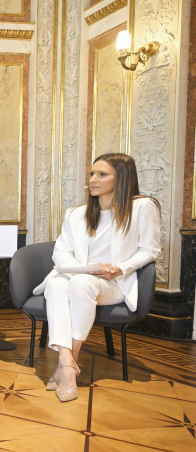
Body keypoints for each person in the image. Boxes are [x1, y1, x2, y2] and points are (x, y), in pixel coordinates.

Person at [32, 153, 160, 402]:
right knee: (57, 284)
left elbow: (150, 250)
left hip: (114, 283)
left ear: (121, 178)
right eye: (92, 174)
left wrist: (120, 268)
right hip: (81, 278)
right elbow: (61, 253)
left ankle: (68, 361)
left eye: (102, 174)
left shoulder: (142, 207)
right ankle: (67, 364)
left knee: (77, 283)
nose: (93, 179)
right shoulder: (76, 213)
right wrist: (87, 269)